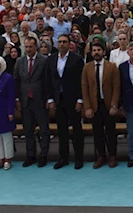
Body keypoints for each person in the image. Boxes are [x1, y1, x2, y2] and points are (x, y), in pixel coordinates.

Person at [45, 34, 85, 169]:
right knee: (61, 130)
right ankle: (64, 158)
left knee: (76, 129)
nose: (62, 44)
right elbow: (49, 80)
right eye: (60, 42)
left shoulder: (77, 59)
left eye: (64, 42)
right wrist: (50, 98)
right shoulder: (51, 59)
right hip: (58, 99)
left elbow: (81, 81)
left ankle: (79, 158)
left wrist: (80, 99)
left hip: (73, 99)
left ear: (69, 44)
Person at [81, 40, 120, 168]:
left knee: (111, 132)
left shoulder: (112, 66)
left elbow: (116, 87)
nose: (96, 53)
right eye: (94, 51)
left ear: (104, 52)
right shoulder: (87, 67)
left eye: (99, 50)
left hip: (108, 104)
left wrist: (114, 105)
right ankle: (101, 156)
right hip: (94, 105)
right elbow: (85, 88)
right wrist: (87, 107)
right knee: (97, 132)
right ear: (91, 53)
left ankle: (113, 156)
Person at [13, 36, 50, 167]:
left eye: (30, 47)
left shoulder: (44, 61)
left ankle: (44, 155)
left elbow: (48, 81)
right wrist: (17, 98)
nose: (28, 49)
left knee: (44, 130)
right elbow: (16, 81)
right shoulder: (19, 61)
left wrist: (48, 99)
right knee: (28, 130)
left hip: (40, 99)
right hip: (25, 100)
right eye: (26, 47)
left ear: (36, 47)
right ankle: (31, 155)